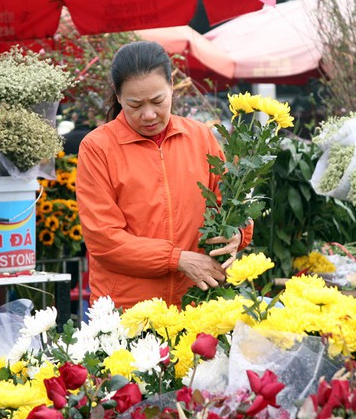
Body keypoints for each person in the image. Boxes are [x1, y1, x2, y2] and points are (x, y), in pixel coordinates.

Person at [76, 41, 253, 310]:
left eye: (158, 101)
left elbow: (229, 202)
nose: (148, 115)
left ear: (172, 84)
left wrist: (239, 233)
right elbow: (104, 239)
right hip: (127, 309)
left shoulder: (201, 136)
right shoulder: (97, 147)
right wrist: (176, 259)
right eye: (135, 105)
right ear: (118, 95)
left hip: (196, 302)